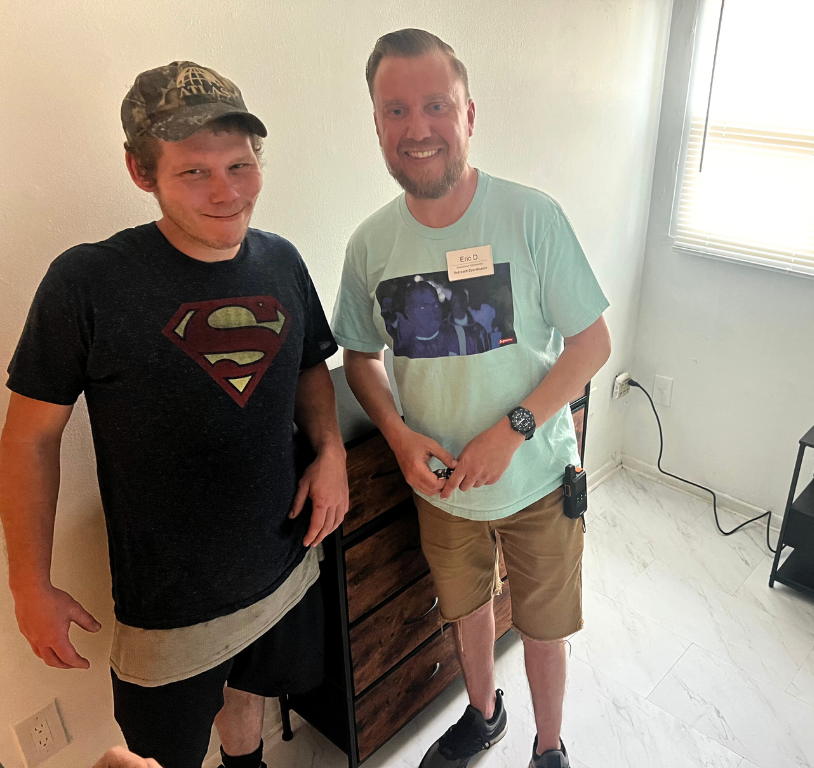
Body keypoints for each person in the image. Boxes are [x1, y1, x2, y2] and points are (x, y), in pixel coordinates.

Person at [0, 61, 348, 768]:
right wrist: (29, 585)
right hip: (170, 611)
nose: (227, 192)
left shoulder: (282, 260)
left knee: (249, 694)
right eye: (195, 172)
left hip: (283, 564)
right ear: (141, 171)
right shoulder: (86, 282)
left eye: (241, 165)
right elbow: (30, 440)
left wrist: (331, 453)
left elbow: (310, 362)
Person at [333, 30, 611, 768]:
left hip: (538, 480)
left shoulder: (531, 217)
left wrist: (513, 430)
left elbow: (591, 346)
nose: (417, 128)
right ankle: (484, 715)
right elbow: (359, 356)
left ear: (469, 114)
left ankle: (548, 746)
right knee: (466, 612)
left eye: (435, 106)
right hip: (441, 488)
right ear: (377, 125)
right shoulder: (370, 246)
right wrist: (394, 433)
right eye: (397, 110)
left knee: (544, 626)